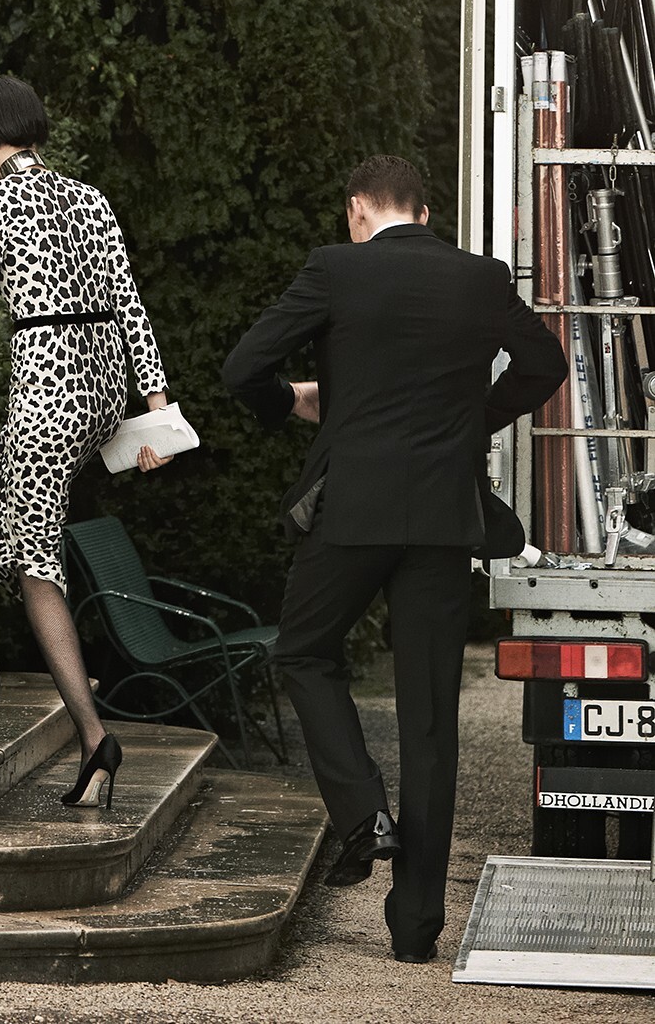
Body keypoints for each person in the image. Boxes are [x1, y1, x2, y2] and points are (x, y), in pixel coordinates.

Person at [221, 153, 567, 965]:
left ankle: (361, 814)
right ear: (424, 211)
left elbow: (243, 370)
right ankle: (415, 931)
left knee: (303, 652)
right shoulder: (480, 278)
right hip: (445, 518)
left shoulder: (335, 269)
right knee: (431, 722)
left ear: (356, 209)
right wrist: (471, 420)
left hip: (353, 511)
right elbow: (545, 366)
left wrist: (298, 403)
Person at [0, 75, 172, 808]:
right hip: (99, 395)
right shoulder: (90, 198)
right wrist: (157, 410)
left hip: (48, 399)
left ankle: (94, 740)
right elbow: (131, 306)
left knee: (38, 563)